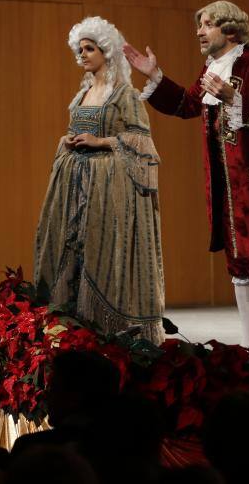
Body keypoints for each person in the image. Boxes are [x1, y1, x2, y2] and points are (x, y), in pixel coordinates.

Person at [123, 0, 249, 347]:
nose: (199, 32)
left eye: (207, 25)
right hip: (228, 185)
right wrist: (153, 76)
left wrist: (234, 97)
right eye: (200, 25)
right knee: (239, 263)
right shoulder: (214, 67)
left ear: (230, 29)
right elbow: (188, 105)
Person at [34, 17, 165, 343]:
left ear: (106, 51)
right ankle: (70, 327)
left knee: (100, 253)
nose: (82, 54)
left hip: (108, 190)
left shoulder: (125, 95)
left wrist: (102, 142)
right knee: (70, 250)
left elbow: (142, 143)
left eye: (89, 48)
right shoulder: (81, 95)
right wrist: (67, 139)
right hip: (74, 188)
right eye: (79, 49)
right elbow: (75, 129)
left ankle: (107, 330)